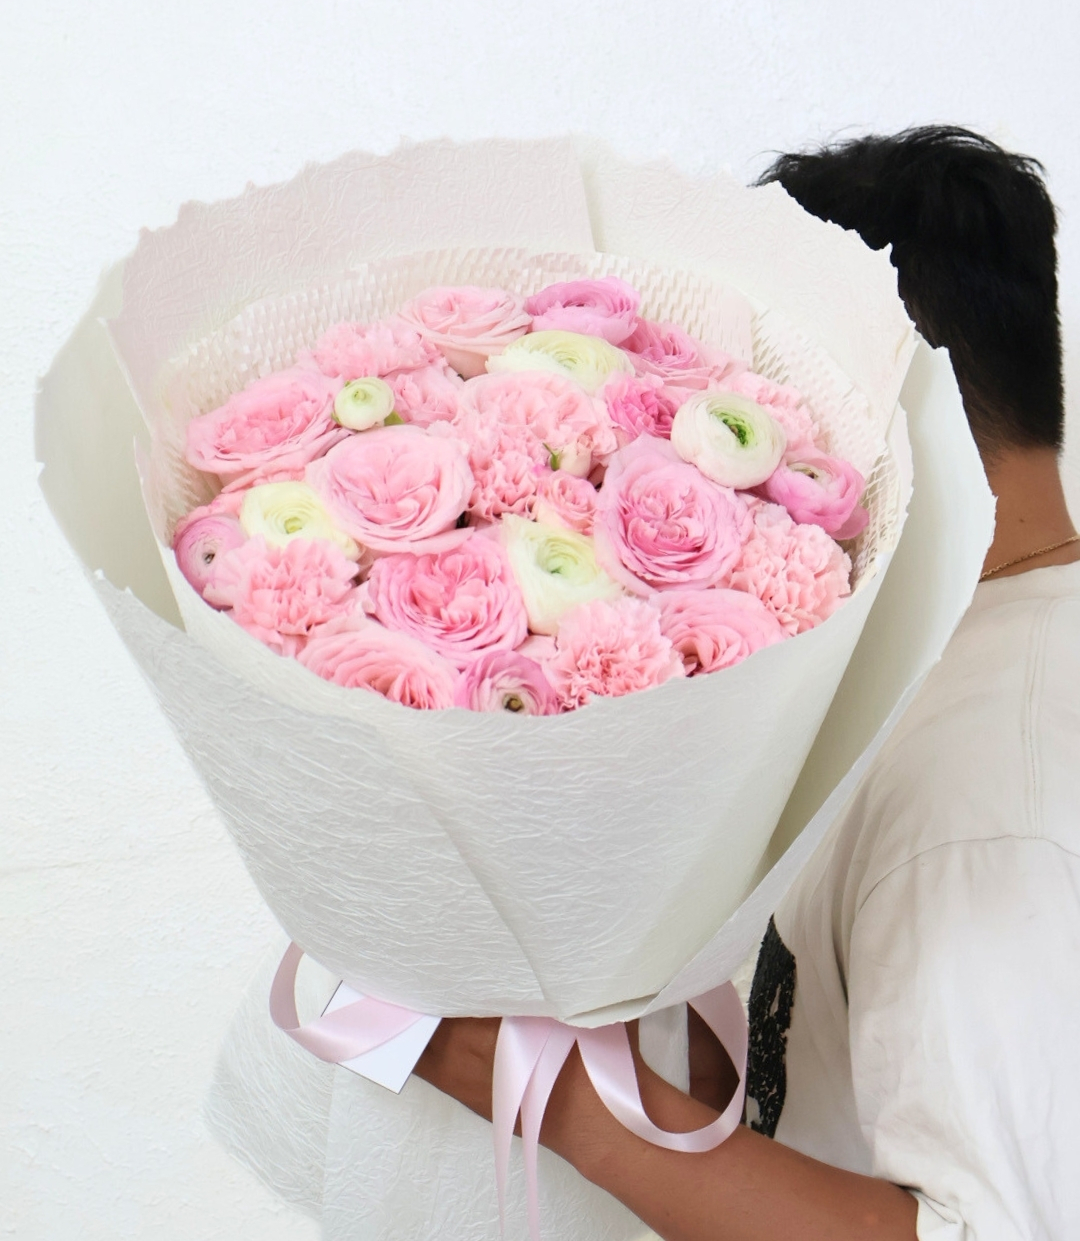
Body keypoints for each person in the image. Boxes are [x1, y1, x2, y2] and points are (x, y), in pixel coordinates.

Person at [416, 126, 1080, 1240]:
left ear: (877, 390)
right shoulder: (952, 674)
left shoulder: (988, 789)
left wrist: (557, 1098)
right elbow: (823, 1081)